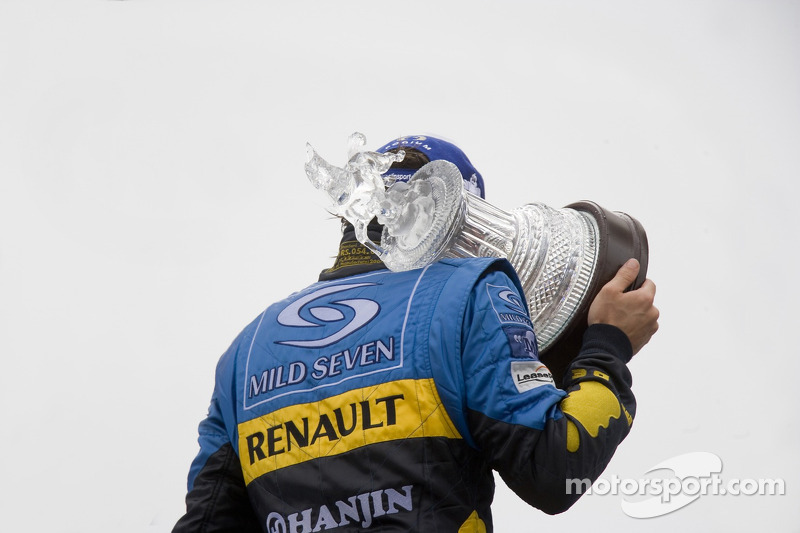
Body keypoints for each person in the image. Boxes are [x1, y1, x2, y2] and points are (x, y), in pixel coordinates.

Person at [172, 135, 659, 532]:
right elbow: (556, 469)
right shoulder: (467, 293)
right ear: (457, 217)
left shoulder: (247, 350)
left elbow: (207, 524)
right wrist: (606, 348)